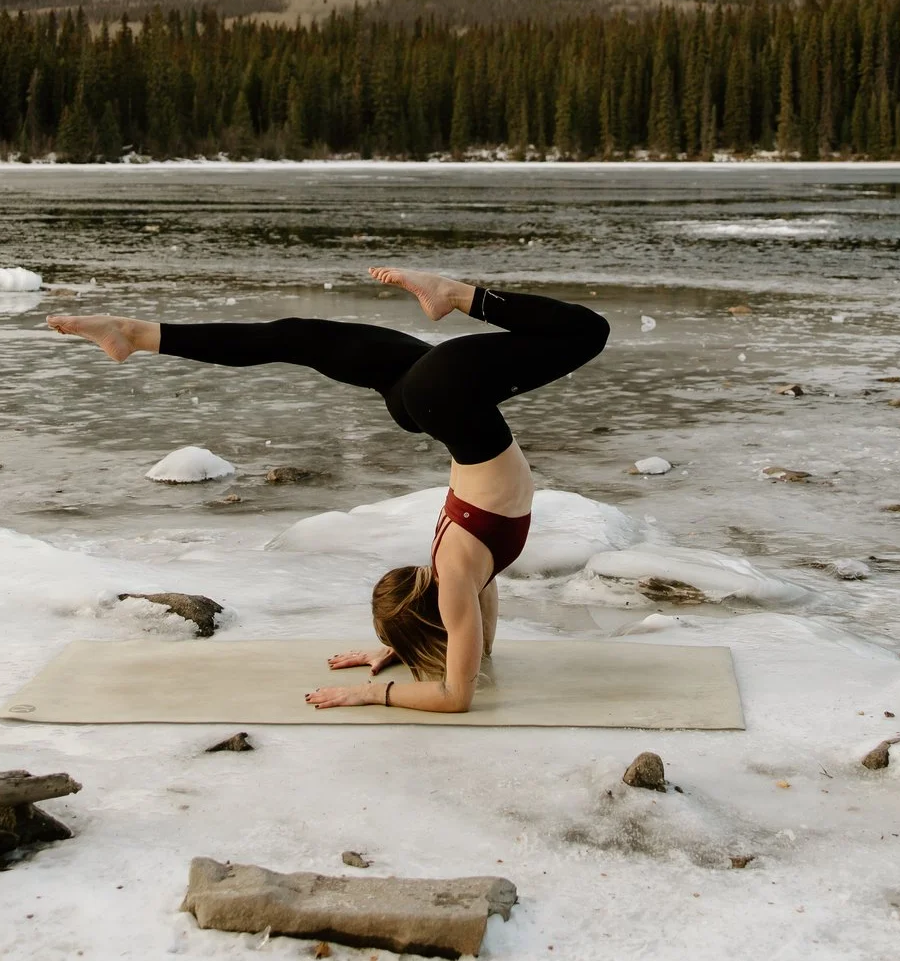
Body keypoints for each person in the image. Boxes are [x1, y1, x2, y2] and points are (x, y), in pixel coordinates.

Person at [49, 267, 608, 714]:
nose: (414, 577)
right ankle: (455, 293)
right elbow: (457, 691)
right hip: (444, 395)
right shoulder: (459, 576)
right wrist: (383, 678)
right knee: (586, 330)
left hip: (447, 400)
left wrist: (402, 653)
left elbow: (470, 657)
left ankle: (137, 334)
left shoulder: (463, 575)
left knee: (299, 337)